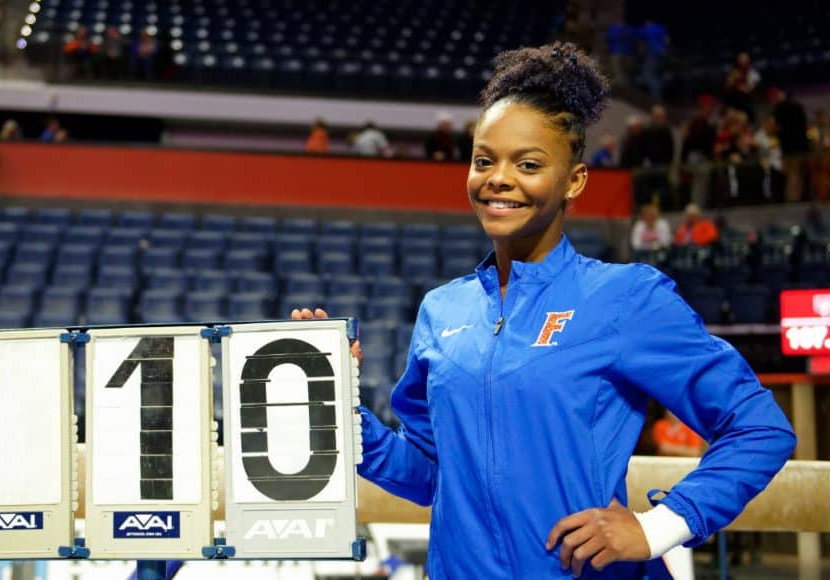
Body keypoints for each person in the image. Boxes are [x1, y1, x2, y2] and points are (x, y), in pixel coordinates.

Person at [294, 42, 794, 579]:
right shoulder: (443, 310)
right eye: (484, 160)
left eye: (528, 164)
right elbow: (431, 478)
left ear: (574, 179)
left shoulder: (625, 298)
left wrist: (659, 526)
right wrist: (339, 411)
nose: (498, 179)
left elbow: (759, 428)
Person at [723, 52, 759, 124]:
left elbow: (750, 92)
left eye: (745, 63)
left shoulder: (754, 75)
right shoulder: (733, 73)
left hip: (746, 105)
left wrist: (738, 84)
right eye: (741, 63)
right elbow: (727, 89)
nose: (743, 65)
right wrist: (732, 81)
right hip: (732, 103)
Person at [637, 19, 668, 99]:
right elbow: (667, 40)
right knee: (658, 74)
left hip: (652, 54)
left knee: (648, 74)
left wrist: (640, 55)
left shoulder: (644, 29)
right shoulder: (660, 28)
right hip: (662, 54)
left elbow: (641, 44)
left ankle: (656, 96)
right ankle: (660, 92)